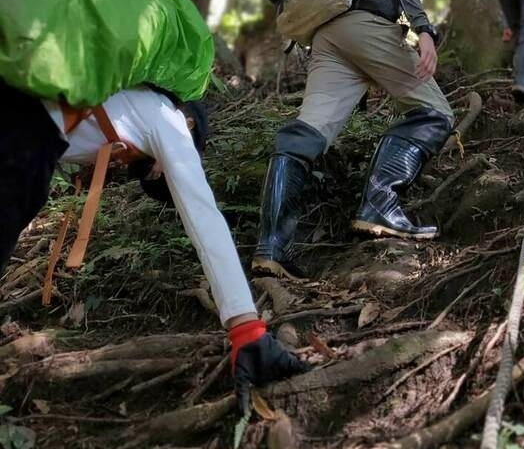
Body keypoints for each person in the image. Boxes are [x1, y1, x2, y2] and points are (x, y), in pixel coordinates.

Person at [0, 81, 308, 414]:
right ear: (191, 124)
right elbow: (203, 214)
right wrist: (247, 327)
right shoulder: (167, 117)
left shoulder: (123, 100)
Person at [252, 0, 466, 281]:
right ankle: (379, 206)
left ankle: (271, 247)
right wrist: (424, 30)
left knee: (307, 133)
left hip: (327, 35)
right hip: (362, 26)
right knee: (435, 113)